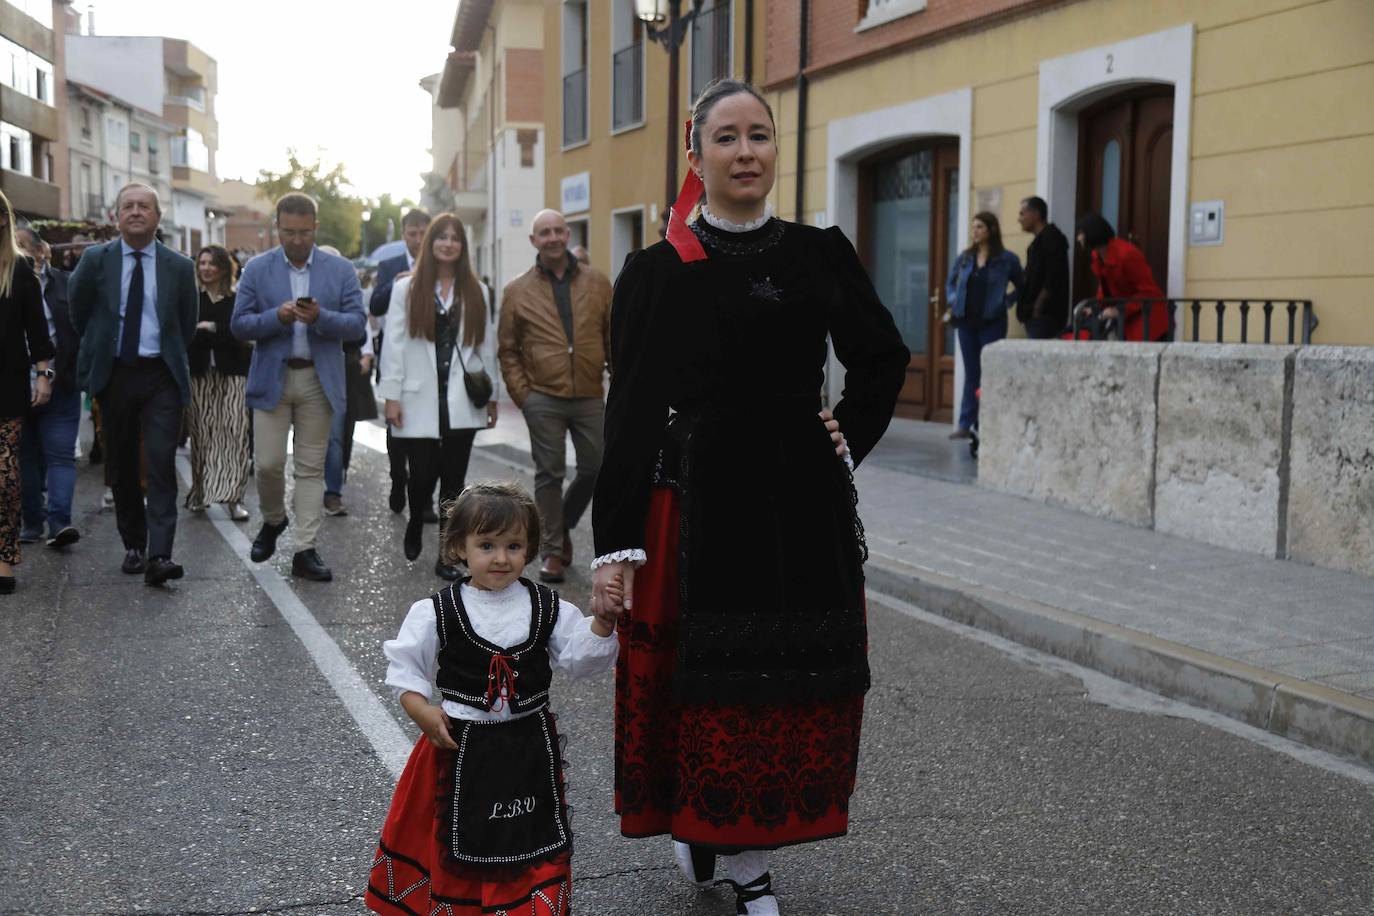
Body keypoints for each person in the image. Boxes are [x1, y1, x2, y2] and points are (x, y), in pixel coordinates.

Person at [589, 79, 909, 914]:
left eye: (759, 136)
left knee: (787, 685)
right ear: (696, 156)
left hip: (801, 505)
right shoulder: (657, 271)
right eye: (726, 138)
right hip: (698, 504)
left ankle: (738, 842)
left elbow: (882, 355)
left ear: (776, 150)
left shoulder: (819, 252)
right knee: (708, 685)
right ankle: (734, 855)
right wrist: (614, 544)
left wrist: (849, 431)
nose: (745, 152)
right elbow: (627, 414)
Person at [364, 481, 621, 916]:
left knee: (530, 842)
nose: (501, 558)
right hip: (458, 750)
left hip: (527, 751)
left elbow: (580, 660)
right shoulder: (436, 611)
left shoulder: (547, 606)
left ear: (529, 549)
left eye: (514, 545)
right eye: (486, 544)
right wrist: (422, 710)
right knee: (459, 844)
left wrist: (604, 624)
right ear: (460, 548)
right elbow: (406, 670)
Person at [231, 192, 366, 582]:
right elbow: (239, 324)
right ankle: (274, 520)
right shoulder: (257, 269)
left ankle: (305, 549)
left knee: (310, 469)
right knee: (269, 464)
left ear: (315, 228)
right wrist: (278, 316)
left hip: (317, 378)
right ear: (277, 228)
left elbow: (357, 324)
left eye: (304, 232)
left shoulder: (339, 270)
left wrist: (321, 317)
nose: (296, 240)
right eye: (288, 232)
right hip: (272, 377)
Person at [70, 183, 199, 586]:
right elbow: (80, 311)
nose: (136, 212)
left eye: (145, 206)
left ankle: (160, 554)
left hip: (160, 374)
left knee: (160, 461)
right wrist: (100, 350)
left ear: (158, 217)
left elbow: (187, 322)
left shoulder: (179, 266)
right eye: (128, 206)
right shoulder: (95, 260)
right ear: (117, 216)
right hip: (116, 373)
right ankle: (134, 543)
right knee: (122, 463)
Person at [378, 214, 499, 580]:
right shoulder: (406, 289)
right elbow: (394, 345)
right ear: (430, 243)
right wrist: (391, 395)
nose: (448, 243)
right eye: (441, 237)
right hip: (418, 397)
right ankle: (416, 518)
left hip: (461, 398)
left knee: (454, 481)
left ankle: (447, 553)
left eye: (455, 238)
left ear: (462, 246)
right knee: (421, 476)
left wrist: (491, 393)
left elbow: (485, 346)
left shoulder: (477, 290)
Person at [498, 209, 612, 584]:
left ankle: (560, 526)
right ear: (534, 240)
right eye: (544, 232)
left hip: (589, 392)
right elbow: (508, 349)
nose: (552, 238)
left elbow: (613, 338)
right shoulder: (516, 291)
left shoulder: (598, 283)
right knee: (549, 472)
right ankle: (551, 552)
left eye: (558, 231)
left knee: (596, 467)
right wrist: (523, 395)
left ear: (568, 234)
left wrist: (622, 383)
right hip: (542, 395)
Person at [0, 195, 54, 595]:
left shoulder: (19, 269)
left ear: (5, 220)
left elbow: (38, 335)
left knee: (5, 478)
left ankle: (4, 559)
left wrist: (43, 377)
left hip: (6, 388)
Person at [16, 228, 81, 550]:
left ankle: (59, 522)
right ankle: (31, 520)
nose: (18, 254)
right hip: (14, 386)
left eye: (23, 247)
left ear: (41, 251)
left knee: (60, 456)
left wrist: (64, 371)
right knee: (24, 455)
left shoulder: (67, 284)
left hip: (61, 384)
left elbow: (77, 331)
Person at [370, 208, 432, 518]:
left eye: (423, 233)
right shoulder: (390, 265)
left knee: (432, 431)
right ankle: (398, 478)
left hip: (431, 361)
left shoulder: (443, 266)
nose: (418, 240)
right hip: (396, 356)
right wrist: (396, 283)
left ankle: (425, 498)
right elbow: (375, 304)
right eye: (412, 233)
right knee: (397, 429)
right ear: (404, 234)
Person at [184, 244, 252, 522]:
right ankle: (200, 492)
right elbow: (185, 334)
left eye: (212, 263)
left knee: (235, 433)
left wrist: (211, 329)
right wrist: (218, 333)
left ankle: (234, 499)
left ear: (224, 268)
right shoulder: (191, 300)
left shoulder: (236, 301)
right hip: (199, 374)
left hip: (233, 374)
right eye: (202, 263)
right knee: (201, 434)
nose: (206, 268)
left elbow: (242, 334)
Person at [945, 210, 1023, 439]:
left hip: (992, 322)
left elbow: (1022, 285)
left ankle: (988, 423)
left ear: (992, 230)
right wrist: (953, 299)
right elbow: (950, 283)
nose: (975, 231)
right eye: (973, 227)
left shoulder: (1007, 259)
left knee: (991, 370)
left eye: (979, 226)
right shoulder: (966, 257)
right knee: (972, 373)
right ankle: (965, 423)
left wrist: (1005, 302)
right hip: (966, 322)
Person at [319, 246, 376, 518]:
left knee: (338, 434)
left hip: (343, 369)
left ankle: (333, 491)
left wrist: (366, 357)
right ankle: (310, 483)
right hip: (310, 371)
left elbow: (361, 332)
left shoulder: (348, 293)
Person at [1074, 212, 1168, 342]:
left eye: (1081, 233)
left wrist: (1119, 310)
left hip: (1149, 322)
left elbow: (1149, 291)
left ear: (1092, 232)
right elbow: (1105, 287)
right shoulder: (1098, 255)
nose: (1078, 238)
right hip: (1129, 320)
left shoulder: (1126, 254)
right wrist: (1096, 307)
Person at [1015, 196, 1069, 339]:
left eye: (1022, 213)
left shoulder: (1051, 239)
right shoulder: (1039, 242)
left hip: (1045, 316)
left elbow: (1053, 277)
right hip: (1035, 315)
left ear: (1036, 214)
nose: (1019, 219)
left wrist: (1037, 308)